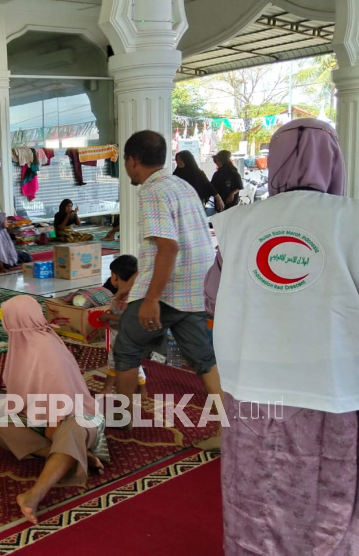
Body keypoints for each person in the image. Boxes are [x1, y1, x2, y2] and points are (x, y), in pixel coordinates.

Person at [204, 119, 359, 555]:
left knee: (253, 490)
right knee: (328, 494)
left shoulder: (237, 224)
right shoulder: (352, 221)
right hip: (333, 393)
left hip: (251, 385)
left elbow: (213, 297)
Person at [112, 130, 220, 448]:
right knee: (203, 358)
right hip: (196, 284)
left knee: (127, 348)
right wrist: (132, 286)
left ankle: (122, 420)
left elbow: (168, 248)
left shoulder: (153, 191)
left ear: (132, 161)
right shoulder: (180, 185)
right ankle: (228, 430)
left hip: (171, 289)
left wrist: (151, 300)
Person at [0, 296, 110, 525]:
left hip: (75, 417)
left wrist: (52, 428)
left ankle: (34, 494)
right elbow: (22, 394)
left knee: (73, 430)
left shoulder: (45, 349)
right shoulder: (22, 344)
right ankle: (72, 456)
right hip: (43, 419)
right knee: (2, 427)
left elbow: (61, 402)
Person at [99, 255, 147, 398]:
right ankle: (107, 388)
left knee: (131, 364)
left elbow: (128, 319)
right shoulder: (119, 297)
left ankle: (142, 389)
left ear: (114, 276)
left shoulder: (130, 298)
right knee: (113, 362)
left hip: (126, 337)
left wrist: (108, 317)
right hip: (116, 336)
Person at [173, 150, 224, 215]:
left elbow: (208, 186)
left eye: (180, 159)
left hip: (196, 205)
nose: (178, 162)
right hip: (181, 205)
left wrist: (218, 199)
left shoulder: (198, 173)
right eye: (177, 160)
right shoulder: (176, 174)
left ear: (187, 159)